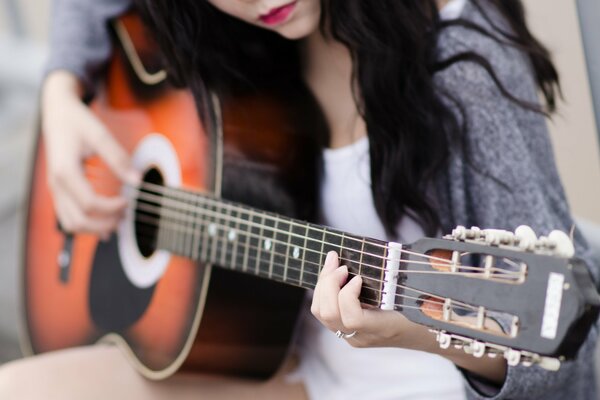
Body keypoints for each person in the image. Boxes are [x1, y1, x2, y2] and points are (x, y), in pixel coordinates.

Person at [0, 0, 598, 399]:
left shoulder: (462, 65)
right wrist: (61, 93)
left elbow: (571, 365)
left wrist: (415, 330)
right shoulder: (251, 42)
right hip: (291, 371)